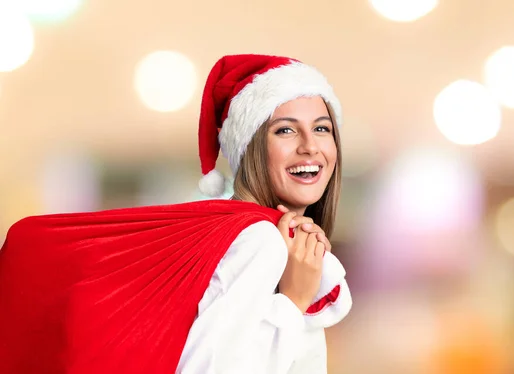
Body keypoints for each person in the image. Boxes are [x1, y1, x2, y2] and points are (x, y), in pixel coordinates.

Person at [0, 54, 351, 374]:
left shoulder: (270, 242)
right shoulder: (259, 241)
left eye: (322, 128)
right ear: (251, 148)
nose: (310, 145)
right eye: (285, 130)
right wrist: (292, 303)